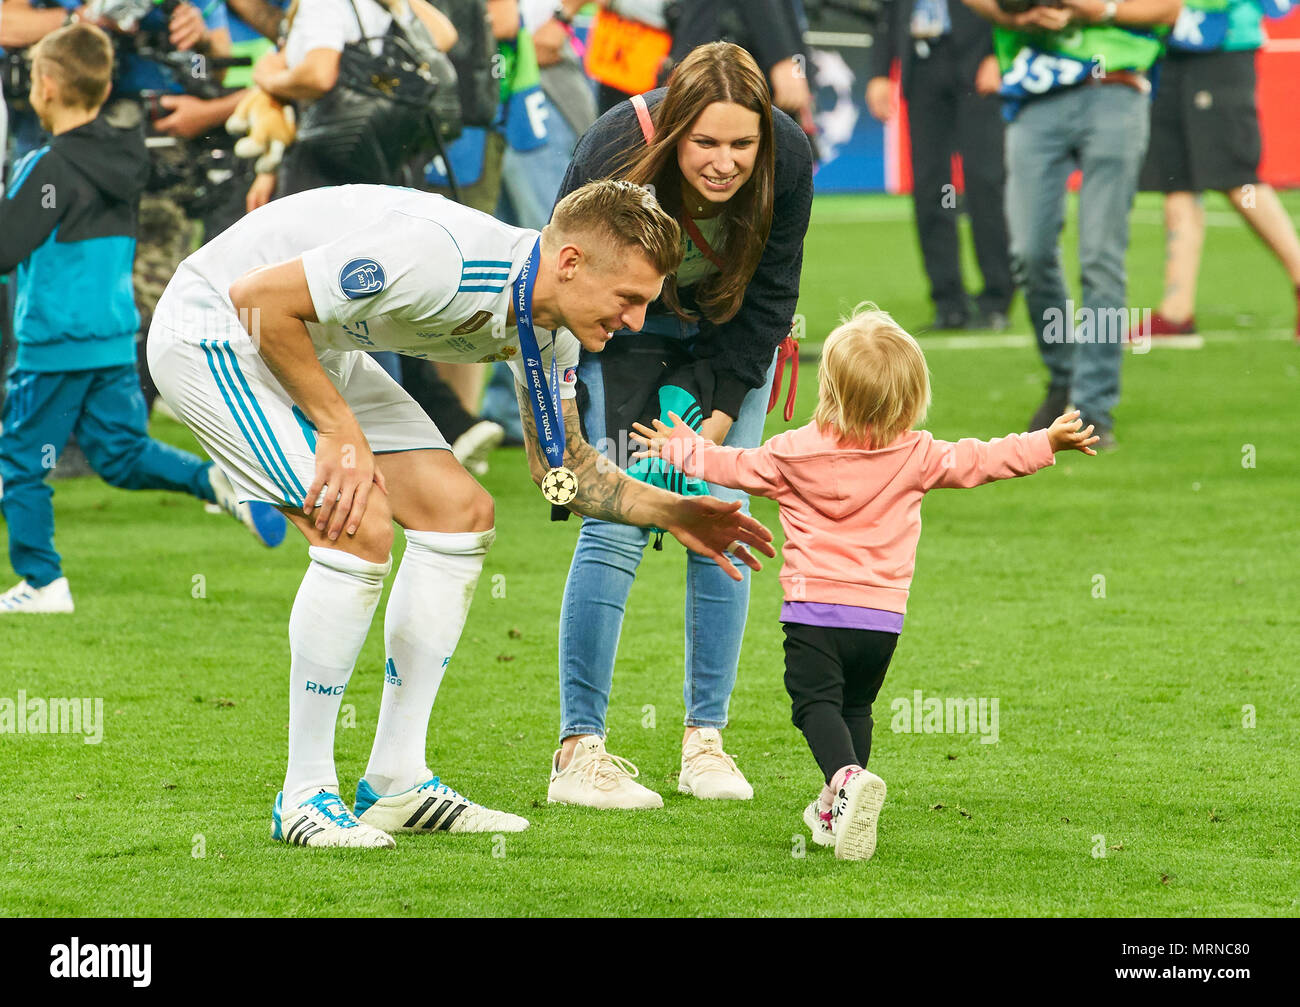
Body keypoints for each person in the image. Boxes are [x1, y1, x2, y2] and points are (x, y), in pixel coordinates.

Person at [146, 178, 775, 848]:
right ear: (570, 264)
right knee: (358, 525)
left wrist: (672, 510)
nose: (636, 322)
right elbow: (257, 299)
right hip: (216, 329)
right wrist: (340, 431)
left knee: (460, 510)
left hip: (310, 343)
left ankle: (396, 780)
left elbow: (561, 477)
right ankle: (304, 793)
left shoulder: (553, 332)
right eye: (629, 299)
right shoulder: (441, 258)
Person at [632, 305, 1100, 859]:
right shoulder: (919, 454)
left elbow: (732, 466)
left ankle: (847, 780)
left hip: (815, 613)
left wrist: (680, 447)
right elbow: (981, 460)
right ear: (909, 397)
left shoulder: (791, 453)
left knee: (813, 707)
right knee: (856, 708)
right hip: (881, 619)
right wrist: (1046, 442)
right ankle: (838, 810)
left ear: (829, 389)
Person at [549, 41, 813, 810]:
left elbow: (771, 296)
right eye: (706, 143)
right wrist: (574, 419)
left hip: (729, 343)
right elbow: (562, 280)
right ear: (673, 133)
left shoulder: (789, 156)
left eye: (742, 143)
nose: (726, 162)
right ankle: (578, 749)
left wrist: (711, 423)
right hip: (620, 334)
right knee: (615, 519)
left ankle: (706, 742)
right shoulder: (614, 146)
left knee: (722, 514)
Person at [0, 23, 285, 615]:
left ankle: (43, 582)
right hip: (111, 337)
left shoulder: (44, 166)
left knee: (19, 463)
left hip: (55, 341)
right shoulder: (126, 155)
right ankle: (215, 481)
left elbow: (6, 248)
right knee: (121, 454)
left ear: (47, 86)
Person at [963, 0, 1180, 451]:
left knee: (1101, 255)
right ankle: (1065, 378)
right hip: (1034, 95)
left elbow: (1170, 8)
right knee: (1029, 251)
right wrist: (1013, 15)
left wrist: (1096, 8)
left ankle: (1093, 407)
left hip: (1116, 88)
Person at [1137, 0, 1300, 341]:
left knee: (1239, 179)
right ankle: (1176, 310)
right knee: (1176, 179)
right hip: (1168, 43)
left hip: (1224, 42)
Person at [865, 0, 1013, 331]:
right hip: (921, 63)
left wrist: (999, 53)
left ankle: (996, 299)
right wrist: (878, 72)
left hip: (977, 60)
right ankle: (948, 303)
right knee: (931, 185)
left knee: (985, 181)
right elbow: (888, 12)